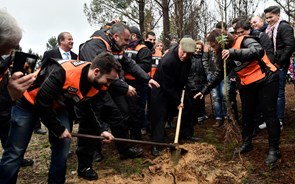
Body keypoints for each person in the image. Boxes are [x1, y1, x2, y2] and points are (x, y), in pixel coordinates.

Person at [0, 52, 119, 183]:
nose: (108, 85)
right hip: (29, 103)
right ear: (96, 72)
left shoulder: (95, 82)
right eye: (108, 80)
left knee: (63, 145)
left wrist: (101, 130)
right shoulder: (63, 72)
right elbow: (42, 103)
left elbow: (86, 108)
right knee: (15, 151)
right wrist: (59, 129)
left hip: (56, 106)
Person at [78, 22, 159, 178]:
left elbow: (129, 64)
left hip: (104, 89)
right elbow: (103, 75)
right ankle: (87, 162)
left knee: (117, 116)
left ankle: (124, 148)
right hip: (89, 92)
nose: (128, 44)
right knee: (90, 124)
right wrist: (125, 87)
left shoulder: (116, 46)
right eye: (126, 40)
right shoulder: (94, 45)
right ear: (116, 36)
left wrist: (146, 78)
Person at [195, 29, 281, 165]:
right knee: (247, 114)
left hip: (266, 80)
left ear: (219, 42)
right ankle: (246, 143)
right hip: (247, 84)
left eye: (213, 46)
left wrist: (232, 52)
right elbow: (219, 74)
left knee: (269, 114)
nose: (212, 49)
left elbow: (258, 51)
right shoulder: (223, 55)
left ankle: (274, 150)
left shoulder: (244, 40)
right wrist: (205, 90)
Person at [0, 9, 35, 168]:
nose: (9, 53)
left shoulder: (5, 57)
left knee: (7, 129)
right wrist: (8, 94)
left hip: (5, 109)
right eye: (7, 47)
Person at [150, 37, 196, 156]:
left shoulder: (188, 60)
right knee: (160, 114)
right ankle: (157, 144)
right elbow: (167, 86)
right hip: (160, 87)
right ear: (179, 47)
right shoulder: (168, 61)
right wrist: (177, 101)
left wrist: (182, 92)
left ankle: (186, 134)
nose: (185, 55)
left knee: (188, 107)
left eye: (189, 54)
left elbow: (184, 77)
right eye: (183, 52)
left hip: (176, 87)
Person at [264, 5, 295, 125]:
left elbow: (290, 46)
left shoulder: (284, 27)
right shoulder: (269, 28)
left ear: (278, 15)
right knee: (271, 91)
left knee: (279, 92)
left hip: (280, 64)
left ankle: (279, 119)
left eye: (270, 17)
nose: (268, 20)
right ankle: (271, 118)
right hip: (270, 64)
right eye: (266, 18)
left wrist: (279, 63)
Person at [125, 26, 152, 140]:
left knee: (137, 111)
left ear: (134, 35)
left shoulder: (143, 49)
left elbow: (146, 66)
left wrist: (130, 67)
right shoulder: (125, 47)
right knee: (127, 111)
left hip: (138, 85)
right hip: (125, 84)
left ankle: (136, 137)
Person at [186, 40, 207, 124]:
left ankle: (200, 116)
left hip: (201, 82)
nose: (198, 50)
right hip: (190, 82)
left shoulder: (203, 58)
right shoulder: (190, 58)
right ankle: (192, 118)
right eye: (196, 48)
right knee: (191, 102)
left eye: (199, 49)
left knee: (200, 101)